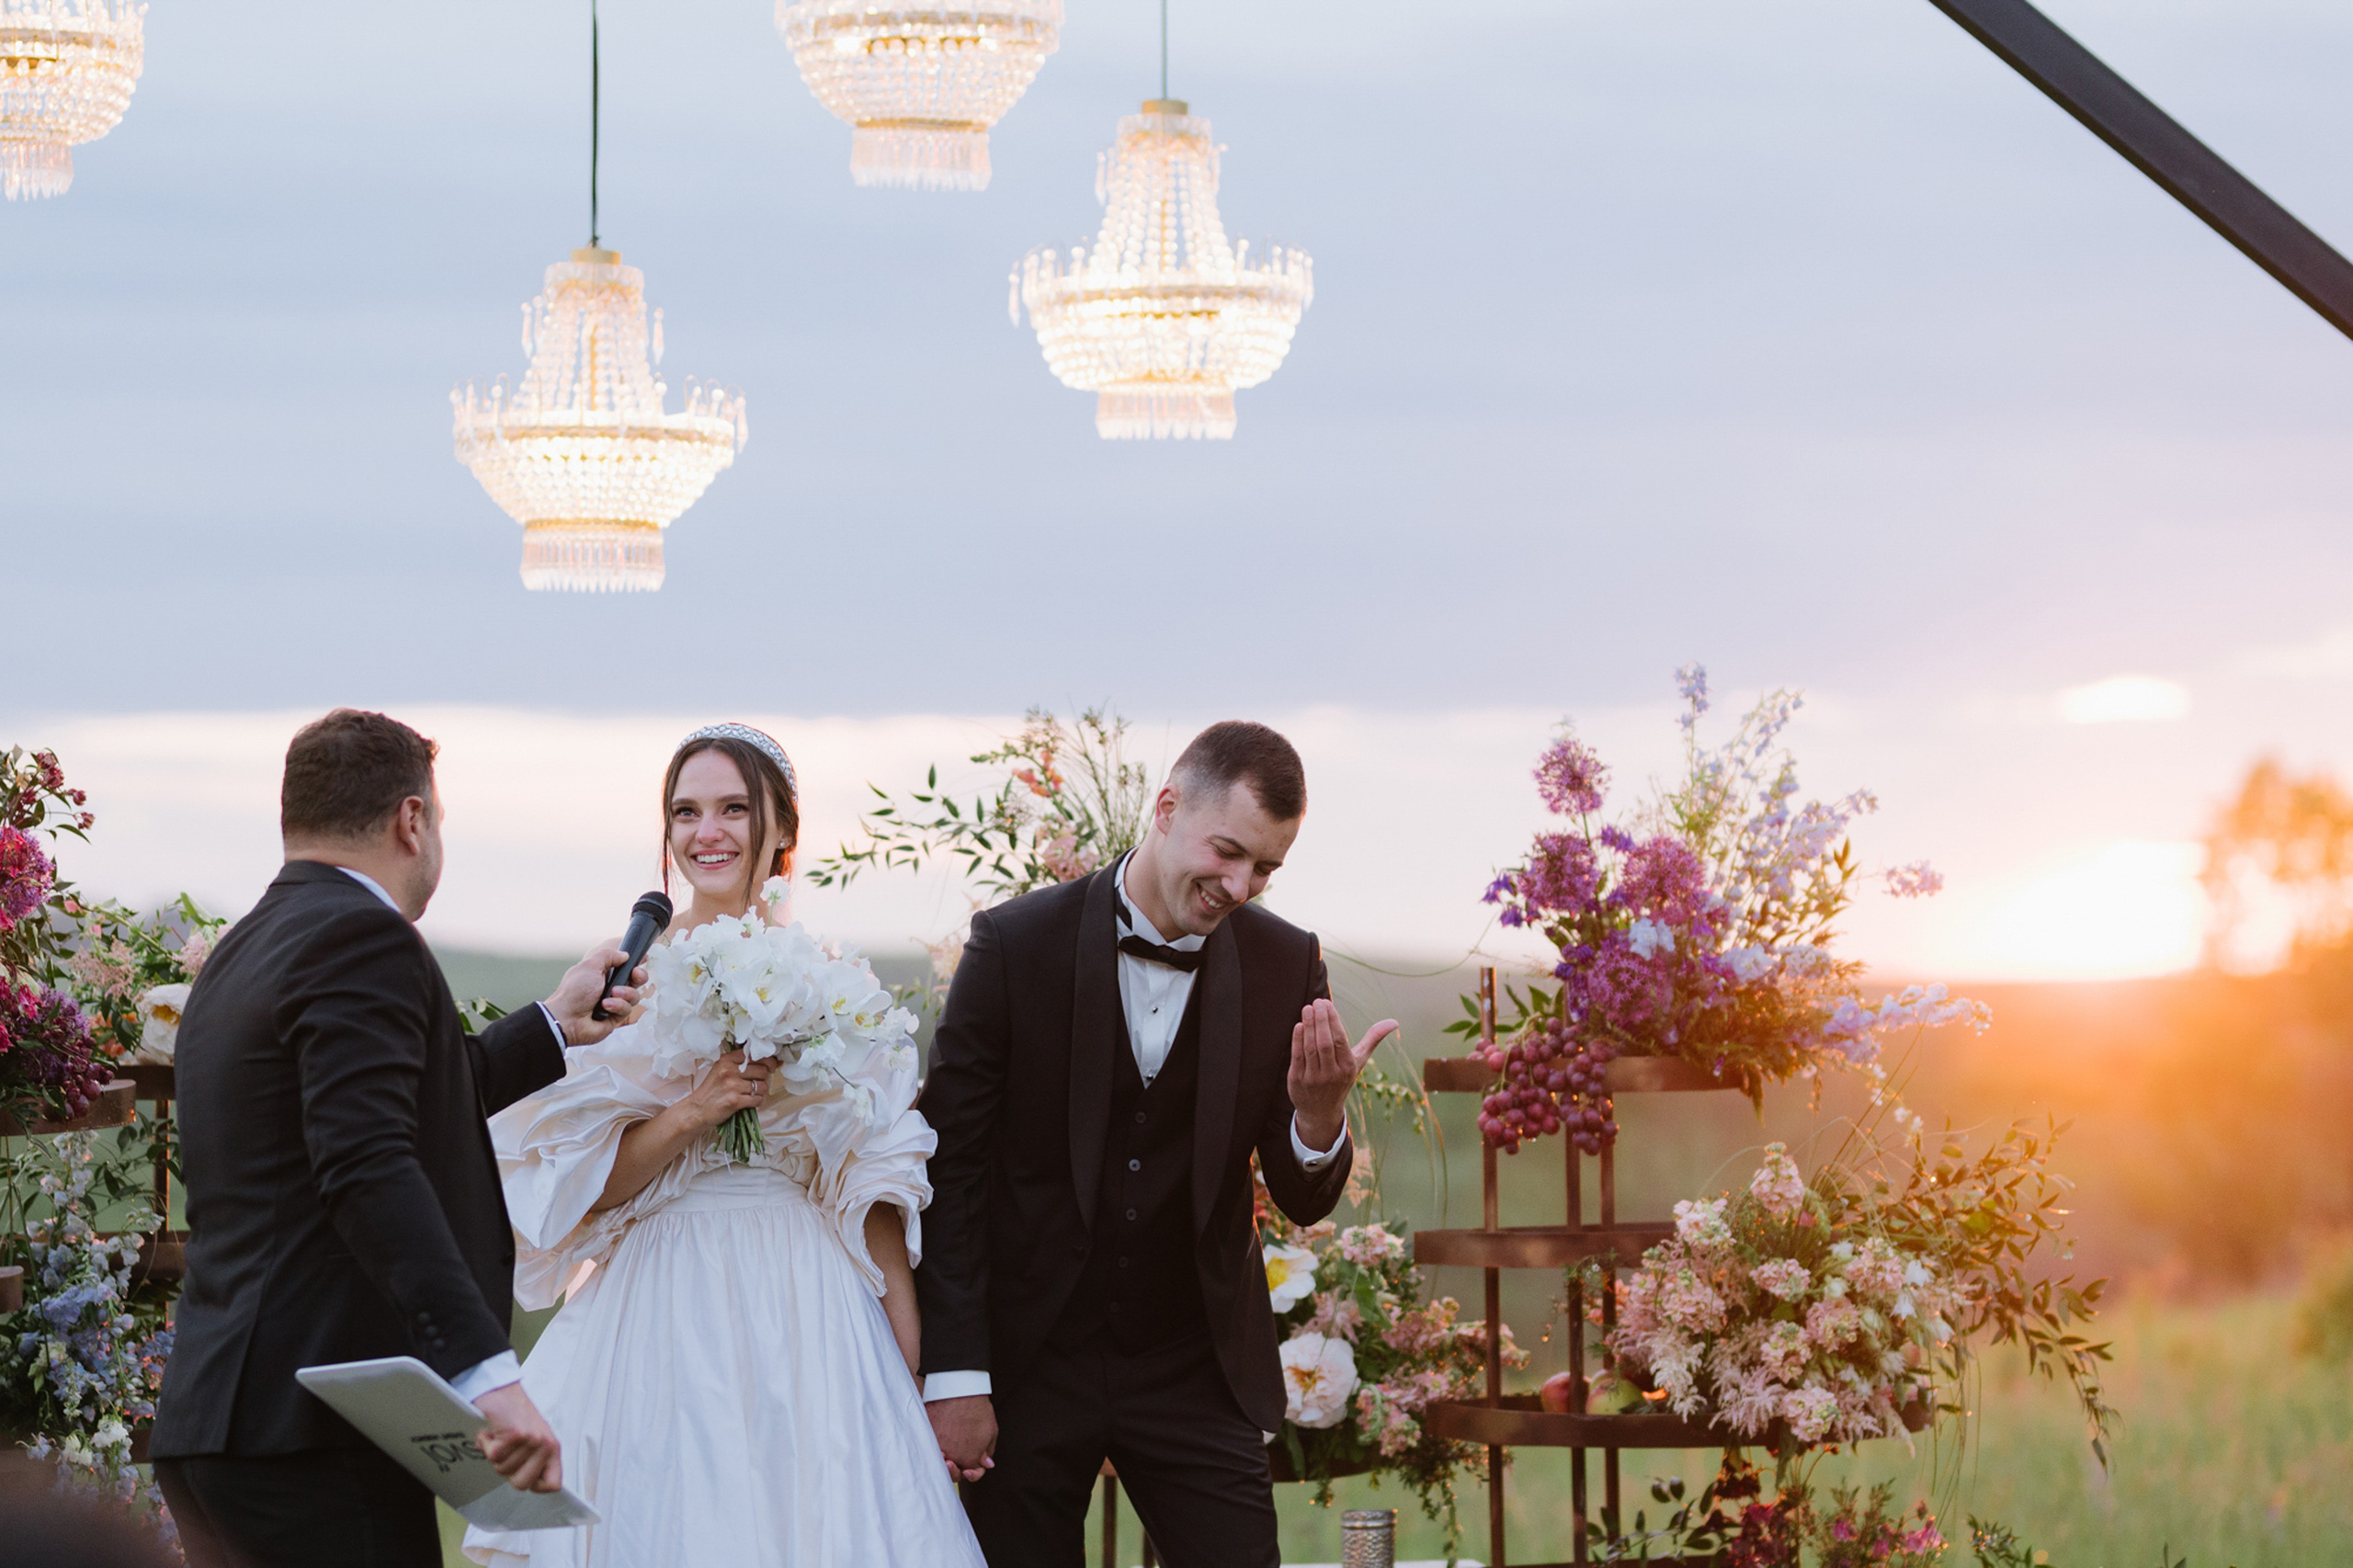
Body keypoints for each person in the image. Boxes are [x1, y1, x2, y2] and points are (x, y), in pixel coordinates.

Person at [461, 723, 985, 1568]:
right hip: (658, 1303)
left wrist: (911, 1387)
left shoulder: (838, 990)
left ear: (781, 829)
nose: (707, 831)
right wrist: (695, 1110)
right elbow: (587, 1190)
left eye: (734, 808)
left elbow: (874, 1206)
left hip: (806, 1305)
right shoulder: (622, 994)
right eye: (686, 811)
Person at [152, 708, 647, 1568]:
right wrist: (486, 1375)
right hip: (316, 1441)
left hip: (222, 1425)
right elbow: (368, 1161)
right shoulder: (365, 936)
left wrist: (554, 1024)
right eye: (440, 819)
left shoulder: (247, 948)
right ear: (411, 820)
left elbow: (391, 1103)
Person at [915, 721, 1397, 1568]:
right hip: (1032, 1360)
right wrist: (958, 1376)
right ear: (1167, 808)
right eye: (1229, 852)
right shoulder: (1014, 945)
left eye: (1266, 869)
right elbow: (948, 1172)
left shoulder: (1288, 964)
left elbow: (1302, 1192)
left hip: (1192, 1363)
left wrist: (1318, 1118)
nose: (1241, 886)